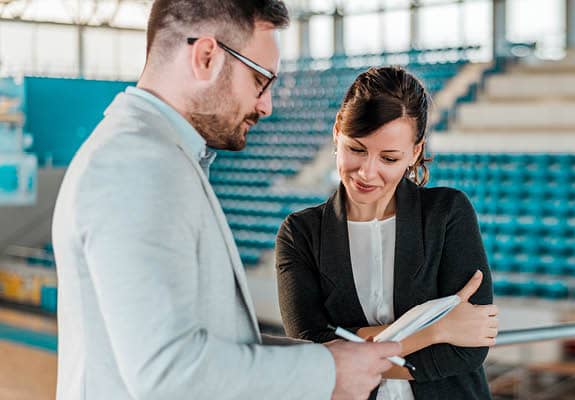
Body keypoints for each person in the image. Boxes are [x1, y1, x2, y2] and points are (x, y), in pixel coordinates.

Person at [50, 1, 399, 399]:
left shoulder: (155, 156)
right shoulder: (139, 165)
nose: (266, 105)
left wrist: (329, 359)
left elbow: (206, 345)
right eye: (260, 80)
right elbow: (170, 375)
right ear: (206, 57)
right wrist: (328, 372)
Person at [275, 66, 498, 400]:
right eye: (357, 149)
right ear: (338, 131)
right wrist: (436, 330)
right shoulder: (300, 234)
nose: (367, 172)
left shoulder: (447, 213)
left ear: (415, 152)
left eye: (389, 158)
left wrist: (348, 351)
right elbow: (311, 350)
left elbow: (468, 350)